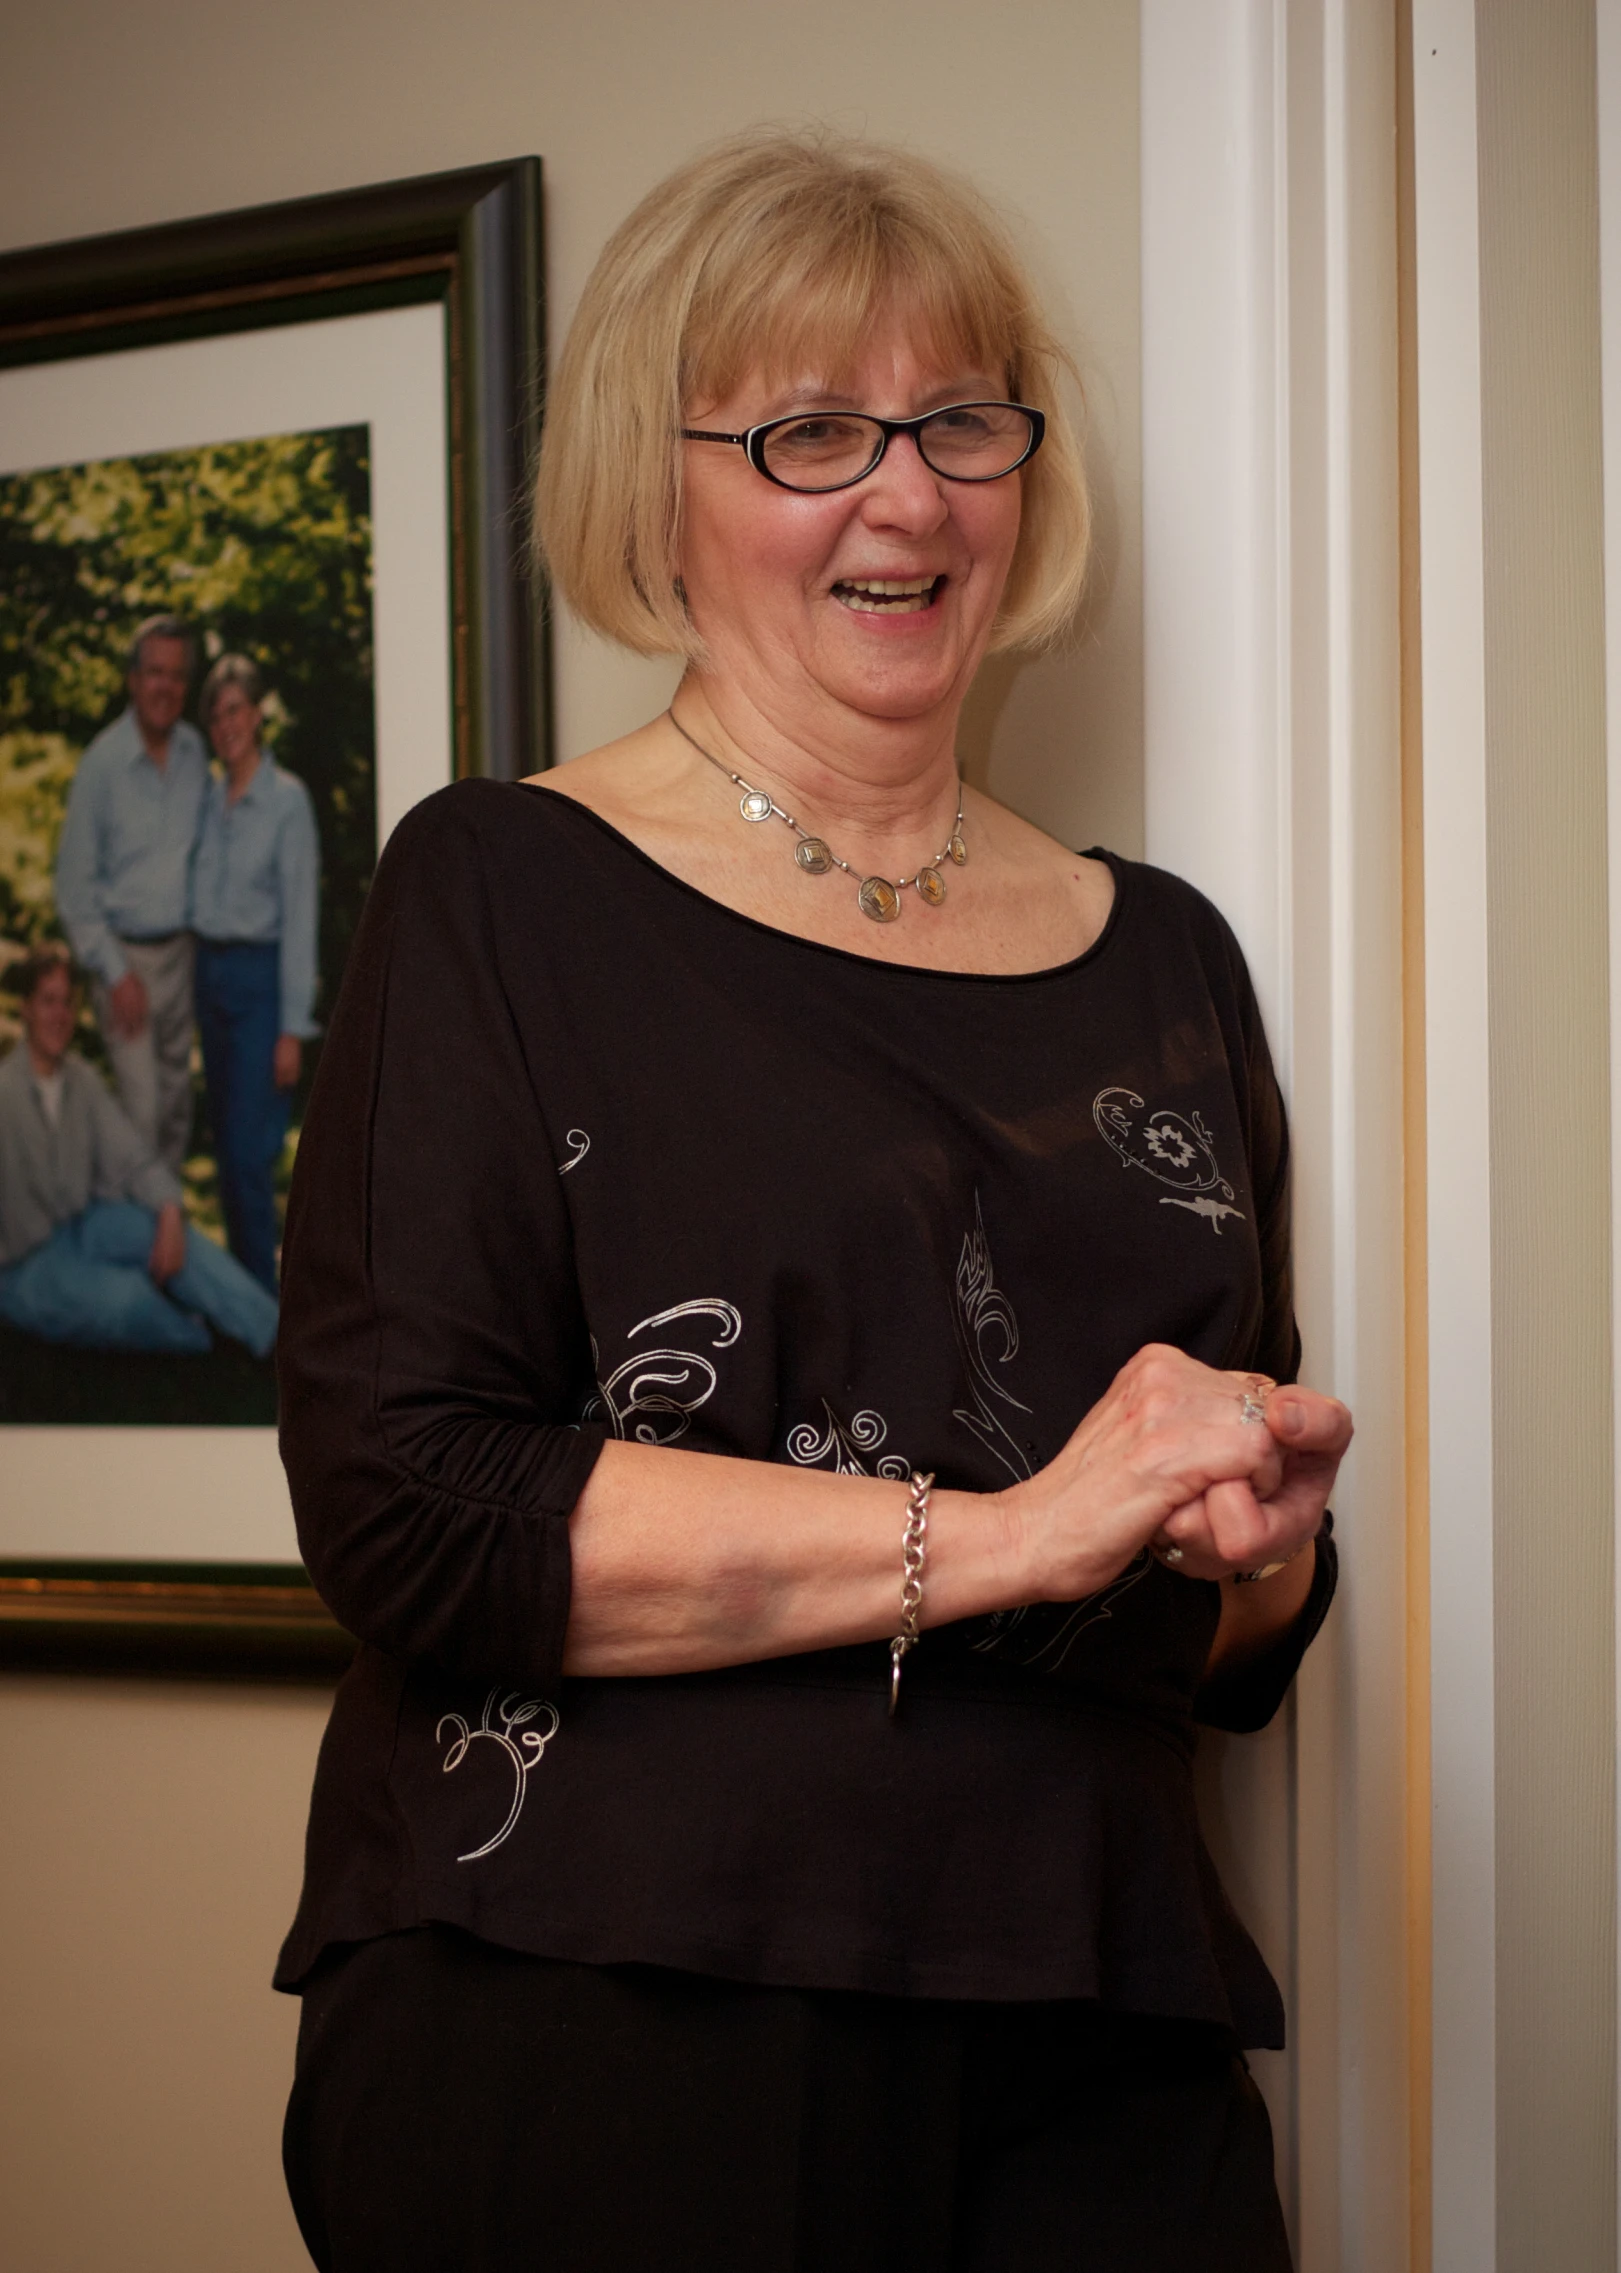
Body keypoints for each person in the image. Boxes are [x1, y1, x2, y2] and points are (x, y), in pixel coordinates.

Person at [275, 132, 1353, 2273]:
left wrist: (1256, 1556)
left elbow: (1217, 1639)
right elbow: (415, 1503)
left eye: (959, 420)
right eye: (805, 432)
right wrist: (1020, 1527)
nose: (906, 494)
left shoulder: (1168, 960)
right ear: (652, 490)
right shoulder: (500, 885)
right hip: (606, 2005)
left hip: (1093, 2008)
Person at [0, 948, 278, 1357]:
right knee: (125, 1298)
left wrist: (168, 1207)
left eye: (67, 1002)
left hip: (82, 1227)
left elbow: (131, 1156)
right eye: (47, 1001)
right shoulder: (4, 1091)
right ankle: (202, 1340)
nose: (59, 1015)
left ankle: (276, 1333)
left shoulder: (82, 1078)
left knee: (171, 1232)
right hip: (23, 1264)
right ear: (25, 1009)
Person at [53, 614, 209, 1174]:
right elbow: (73, 888)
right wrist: (115, 972)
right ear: (132, 680)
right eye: (153, 673)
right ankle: (144, 1238)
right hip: (126, 964)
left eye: (175, 675)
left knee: (173, 1117)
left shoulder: (195, 755)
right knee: (140, 1117)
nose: (164, 687)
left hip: (181, 958)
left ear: (186, 685)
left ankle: (158, 1246)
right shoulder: (102, 765)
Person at [190, 654, 320, 1292]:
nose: (226, 723)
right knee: (226, 1150)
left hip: (260, 981)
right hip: (208, 979)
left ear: (258, 715)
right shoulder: (208, 800)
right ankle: (248, 1300)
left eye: (235, 709)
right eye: (215, 714)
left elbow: (301, 918)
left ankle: (272, 1307)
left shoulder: (287, 800)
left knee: (250, 1153)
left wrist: (292, 1027)